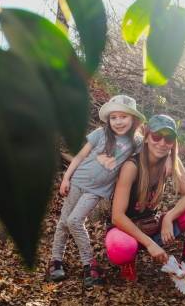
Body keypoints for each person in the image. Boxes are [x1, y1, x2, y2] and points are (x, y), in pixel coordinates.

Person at [48, 95, 145, 286]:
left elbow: (150, 155)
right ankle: (55, 261)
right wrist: (66, 178)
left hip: (98, 190)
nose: (118, 121)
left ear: (133, 119)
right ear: (108, 119)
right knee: (63, 223)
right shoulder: (100, 134)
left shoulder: (136, 141)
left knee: (74, 221)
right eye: (114, 117)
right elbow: (79, 156)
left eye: (123, 117)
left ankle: (89, 263)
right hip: (77, 181)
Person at [106, 114, 185, 282]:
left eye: (169, 138)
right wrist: (150, 244)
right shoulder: (131, 167)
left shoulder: (171, 161)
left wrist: (168, 218)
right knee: (122, 248)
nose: (162, 143)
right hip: (125, 230)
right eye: (157, 136)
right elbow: (117, 216)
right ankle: (128, 262)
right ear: (147, 137)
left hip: (151, 225)